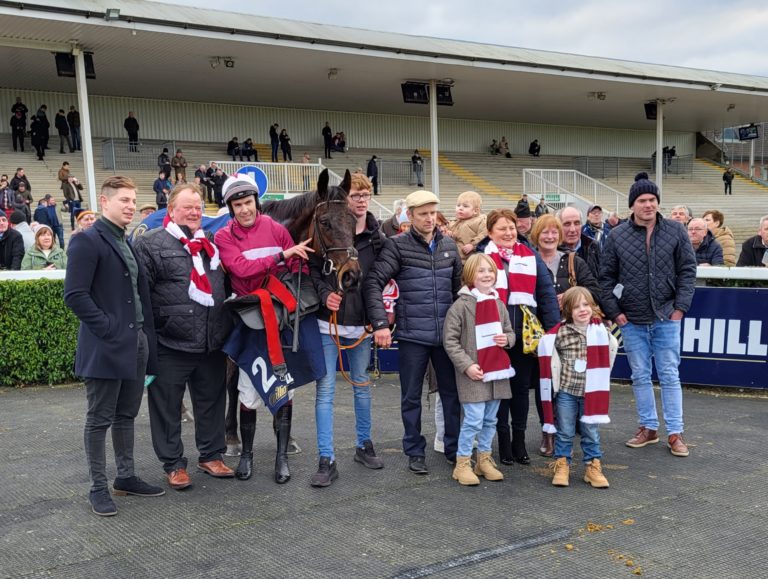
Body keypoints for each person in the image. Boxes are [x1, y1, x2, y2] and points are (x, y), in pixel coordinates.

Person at [63, 176, 165, 517]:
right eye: (124, 200)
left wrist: (144, 339)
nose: (131, 206)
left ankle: (126, 477)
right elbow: (75, 295)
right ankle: (97, 487)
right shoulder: (86, 242)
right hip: (106, 345)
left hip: (136, 344)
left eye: (134, 200)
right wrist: (109, 329)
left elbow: (138, 296)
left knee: (126, 415)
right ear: (104, 202)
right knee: (99, 419)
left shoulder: (128, 242)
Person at [214, 174, 315, 483]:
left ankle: (281, 456)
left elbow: (299, 267)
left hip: (280, 315)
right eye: (238, 205)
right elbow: (241, 269)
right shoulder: (224, 236)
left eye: (248, 202)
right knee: (247, 390)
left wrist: (295, 265)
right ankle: (246, 454)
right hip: (249, 317)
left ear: (256, 201)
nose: (245, 209)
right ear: (230, 208)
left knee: (284, 386)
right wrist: (282, 256)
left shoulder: (277, 229)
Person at [134, 183, 234, 490]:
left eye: (198, 207)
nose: (194, 212)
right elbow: (142, 295)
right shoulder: (150, 243)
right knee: (166, 407)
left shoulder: (214, 243)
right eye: (187, 207)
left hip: (210, 341)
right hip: (169, 343)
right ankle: (173, 464)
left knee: (212, 402)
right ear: (171, 209)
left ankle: (211, 455)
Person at [364, 190, 463, 474]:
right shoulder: (397, 246)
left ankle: (454, 450)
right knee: (410, 397)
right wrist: (381, 324)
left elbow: (459, 291)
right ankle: (414, 451)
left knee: (451, 395)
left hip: (447, 337)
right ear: (410, 215)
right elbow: (374, 282)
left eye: (433, 213)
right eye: (423, 214)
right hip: (411, 336)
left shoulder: (450, 246)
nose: (430, 219)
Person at [599, 172, 697, 458]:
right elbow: (606, 278)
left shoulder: (676, 231)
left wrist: (680, 309)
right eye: (642, 200)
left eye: (652, 199)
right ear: (632, 205)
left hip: (667, 315)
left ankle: (676, 433)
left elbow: (688, 271)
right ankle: (648, 427)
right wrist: (616, 314)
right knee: (640, 375)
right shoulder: (616, 236)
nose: (648, 205)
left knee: (669, 374)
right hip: (631, 319)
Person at [308, 174, 385, 487]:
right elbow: (312, 270)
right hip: (328, 325)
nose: (362, 199)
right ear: (344, 198)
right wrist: (325, 294)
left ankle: (363, 444)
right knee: (325, 392)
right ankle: (326, 457)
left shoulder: (377, 238)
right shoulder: (327, 230)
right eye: (356, 194)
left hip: (362, 326)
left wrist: (378, 320)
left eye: (366, 194)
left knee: (362, 386)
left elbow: (380, 282)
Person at [478, 209, 560, 465]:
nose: (508, 233)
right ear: (490, 232)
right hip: (494, 337)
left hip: (525, 337)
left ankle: (520, 441)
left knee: (521, 390)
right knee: (500, 391)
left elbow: (546, 295)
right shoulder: (481, 258)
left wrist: (553, 330)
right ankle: (503, 443)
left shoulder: (531, 256)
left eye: (511, 227)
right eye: (502, 228)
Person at [443, 253, 514, 486]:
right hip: (474, 373)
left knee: (490, 420)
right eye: (481, 271)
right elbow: (450, 341)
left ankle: (484, 459)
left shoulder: (499, 304)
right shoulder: (460, 306)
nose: (486, 275)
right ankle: (462, 463)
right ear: (470, 276)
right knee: (473, 419)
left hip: (497, 373)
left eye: (490, 271)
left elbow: (510, 332)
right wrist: (467, 366)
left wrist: (508, 339)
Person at [541, 287, 617, 488]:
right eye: (576, 307)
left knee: (590, 430)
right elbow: (548, 352)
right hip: (566, 390)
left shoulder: (602, 332)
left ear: (592, 307)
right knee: (565, 430)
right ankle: (562, 463)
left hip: (591, 393)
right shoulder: (561, 333)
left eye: (586, 305)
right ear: (567, 311)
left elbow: (612, 351)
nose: (582, 310)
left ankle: (592, 466)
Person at [558, 206, 601, 278]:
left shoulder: (593, 246)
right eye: (567, 224)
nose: (572, 229)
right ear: (558, 226)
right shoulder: (552, 250)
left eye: (577, 223)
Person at [447, 191, 487, 263]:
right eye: (458, 205)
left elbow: (484, 235)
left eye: (465, 206)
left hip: (470, 261)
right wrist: (447, 233)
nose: (460, 208)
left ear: (475, 210)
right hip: (453, 259)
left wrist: (473, 245)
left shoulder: (480, 221)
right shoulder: (452, 222)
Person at [59, 161, 83, 230]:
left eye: (71, 178)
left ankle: (79, 225)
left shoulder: (74, 183)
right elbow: (65, 194)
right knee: (72, 214)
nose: (71, 179)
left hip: (78, 200)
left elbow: (81, 188)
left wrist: (78, 182)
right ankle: (72, 227)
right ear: (68, 179)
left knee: (79, 213)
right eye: (69, 178)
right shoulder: (66, 185)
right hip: (72, 201)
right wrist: (69, 200)